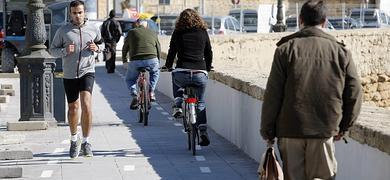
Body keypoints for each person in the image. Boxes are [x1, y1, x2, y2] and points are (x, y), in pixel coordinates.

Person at [260, 1, 362, 179]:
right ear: (325, 21)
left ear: (300, 20)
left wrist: (267, 129)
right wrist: (344, 127)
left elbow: (273, 94)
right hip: (324, 129)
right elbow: (354, 93)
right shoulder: (341, 52)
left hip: (290, 129)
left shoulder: (285, 50)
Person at [49, 0, 103, 159]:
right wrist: (65, 50)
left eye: (80, 12)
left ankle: (86, 142)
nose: (77, 15)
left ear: (84, 12)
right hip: (70, 73)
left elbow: (102, 43)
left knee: (86, 104)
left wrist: (97, 48)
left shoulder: (93, 28)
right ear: (70, 14)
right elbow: (52, 50)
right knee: (73, 108)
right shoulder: (63, 31)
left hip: (88, 71)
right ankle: (74, 139)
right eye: (74, 13)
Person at [163, 9, 213, 146]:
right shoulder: (203, 32)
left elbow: (172, 51)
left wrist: (168, 66)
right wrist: (207, 68)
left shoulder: (178, 32)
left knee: (175, 77)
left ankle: (178, 104)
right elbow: (208, 52)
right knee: (201, 102)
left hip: (182, 72)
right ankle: (203, 131)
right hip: (199, 73)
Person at [123, 19, 161, 110]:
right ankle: (151, 92)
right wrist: (158, 61)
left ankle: (134, 94)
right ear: (146, 26)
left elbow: (125, 47)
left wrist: (124, 59)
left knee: (129, 79)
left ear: (137, 24)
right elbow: (158, 48)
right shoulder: (153, 32)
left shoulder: (131, 32)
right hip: (152, 59)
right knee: (155, 72)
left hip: (135, 60)